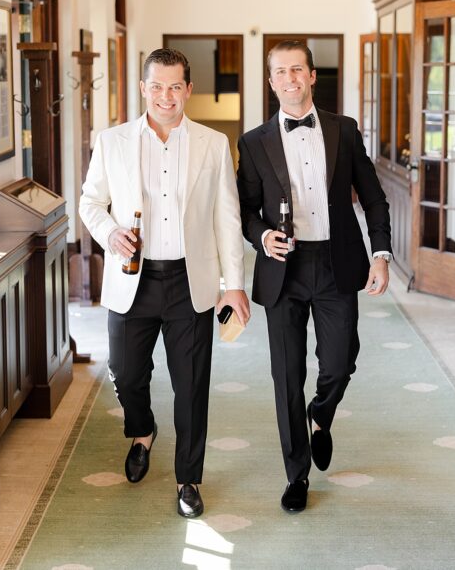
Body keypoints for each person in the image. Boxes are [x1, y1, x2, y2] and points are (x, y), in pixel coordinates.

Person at [80, 48, 251, 519]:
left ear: (189, 90)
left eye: (175, 86)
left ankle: (188, 479)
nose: (166, 96)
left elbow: (227, 217)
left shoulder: (214, 144)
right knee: (126, 372)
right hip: (131, 277)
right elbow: (90, 202)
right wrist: (110, 232)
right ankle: (142, 430)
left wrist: (233, 284)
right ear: (142, 88)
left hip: (189, 279)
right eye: (156, 86)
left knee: (192, 385)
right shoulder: (111, 141)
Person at [236, 40, 392, 513]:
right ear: (271, 81)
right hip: (283, 269)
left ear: (311, 75)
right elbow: (243, 211)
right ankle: (296, 475)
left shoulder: (345, 130)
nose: (290, 79)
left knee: (340, 362)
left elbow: (375, 197)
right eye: (280, 72)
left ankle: (320, 415)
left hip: (337, 262)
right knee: (286, 376)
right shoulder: (253, 141)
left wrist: (381, 254)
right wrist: (262, 237)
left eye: (297, 70)